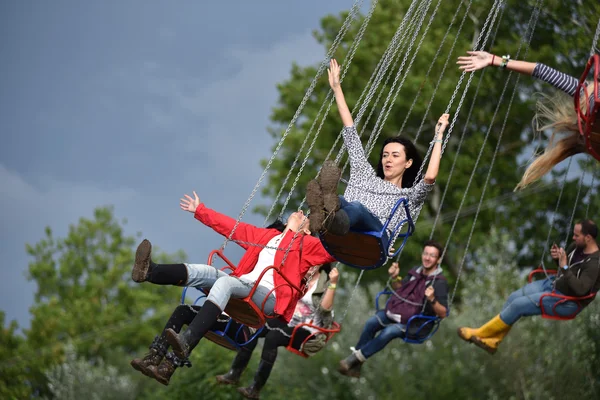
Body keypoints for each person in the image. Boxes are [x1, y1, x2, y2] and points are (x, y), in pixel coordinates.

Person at [130, 190, 336, 382]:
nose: (300, 212)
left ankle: (187, 340)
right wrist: (201, 211)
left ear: (307, 230)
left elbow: (332, 251)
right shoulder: (267, 237)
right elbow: (233, 228)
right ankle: (150, 272)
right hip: (245, 286)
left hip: (268, 298)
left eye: (304, 217)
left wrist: (336, 219)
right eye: (300, 212)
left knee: (225, 282)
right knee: (206, 272)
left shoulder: (306, 246)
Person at [307, 58, 450, 254]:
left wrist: (438, 136)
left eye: (394, 155)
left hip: (375, 238)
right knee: (340, 200)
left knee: (356, 208)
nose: (387, 159)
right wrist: (336, 88)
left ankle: (332, 217)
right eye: (384, 155)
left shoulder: (407, 197)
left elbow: (430, 177)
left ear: (408, 163)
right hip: (345, 231)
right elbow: (350, 132)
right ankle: (326, 213)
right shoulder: (364, 176)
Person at [457, 50, 600, 189]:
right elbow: (543, 71)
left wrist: (495, 60)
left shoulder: (587, 91)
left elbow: (543, 71)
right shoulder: (589, 91)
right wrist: (494, 59)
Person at [458, 219, 600, 355]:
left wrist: (564, 266)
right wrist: (558, 260)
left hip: (567, 301)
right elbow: (565, 268)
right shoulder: (576, 247)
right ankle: (494, 340)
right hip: (554, 284)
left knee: (518, 305)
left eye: (577, 235)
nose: (573, 237)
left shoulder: (594, 263)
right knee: (513, 297)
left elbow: (581, 290)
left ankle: (479, 333)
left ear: (588, 238)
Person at [214, 264, 339, 399]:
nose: (308, 267)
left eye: (312, 264)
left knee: (273, 338)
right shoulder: (300, 279)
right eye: (307, 263)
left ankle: (255, 388)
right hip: (288, 322)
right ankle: (234, 373)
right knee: (254, 326)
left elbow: (325, 308)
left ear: (320, 265)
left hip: (307, 330)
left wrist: (333, 283)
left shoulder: (323, 283)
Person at [337, 240, 449, 378]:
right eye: (425, 253)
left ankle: (354, 360)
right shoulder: (415, 272)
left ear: (438, 259)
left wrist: (432, 299)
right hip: (399, 312)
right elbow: (400, 289)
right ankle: (355, 366)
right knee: (371, 323)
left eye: (432, 255)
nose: (427, 258)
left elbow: (443, 313)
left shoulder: (439, 283)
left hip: (415, 323)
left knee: (389, 331)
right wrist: (395, 277)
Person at [130, 303, 252, 385]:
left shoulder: (267, 278)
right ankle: (154, 358)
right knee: (182, 310)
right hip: (224, 315)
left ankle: (168, 367)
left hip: (241, 326)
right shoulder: (243, 272)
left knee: (206, 319)